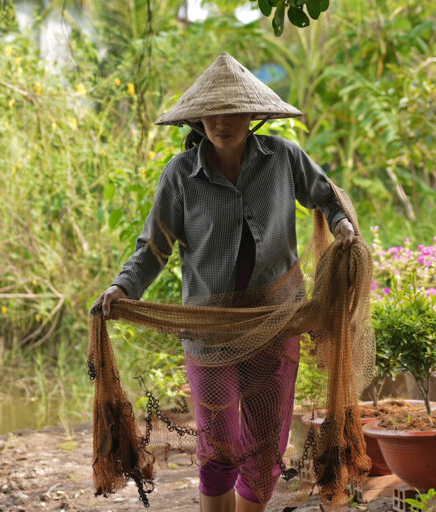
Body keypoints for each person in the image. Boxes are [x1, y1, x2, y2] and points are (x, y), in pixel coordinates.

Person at [93, 52, 355, 512]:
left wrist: (343, 226)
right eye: (211, 112)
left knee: (265, 453)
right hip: (210, 332)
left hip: (274, 324)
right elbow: (154, 246)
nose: (221, 121)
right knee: (219, 452)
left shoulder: (282, 158)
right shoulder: (181, 175)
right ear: (198, 118)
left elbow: (328, 199)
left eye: (232, 111)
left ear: (253, 114)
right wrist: (123, 287)